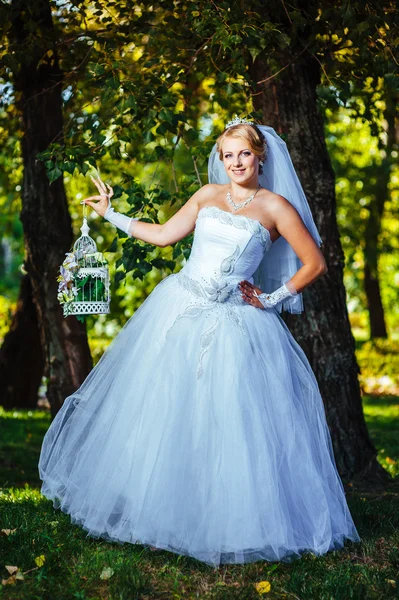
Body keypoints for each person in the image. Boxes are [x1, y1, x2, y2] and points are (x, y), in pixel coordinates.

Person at [38, 118, 361, 567]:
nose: (234, 163)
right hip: (179, 309)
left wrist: (271, 298)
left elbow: (314, 263)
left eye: (243, 154)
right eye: (227, 155)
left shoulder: (275, 206)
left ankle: (229, 522)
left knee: (229, 422)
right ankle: (157, 515)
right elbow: (163, 234)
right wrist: (109, 212)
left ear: (260, 155)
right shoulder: (208, 196)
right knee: (167, 413)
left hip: (237, 323)